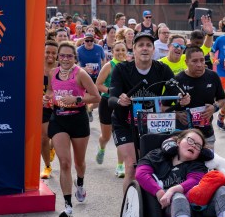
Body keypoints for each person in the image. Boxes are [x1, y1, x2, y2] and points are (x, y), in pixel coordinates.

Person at [108, 32, 188, 190]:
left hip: (150, 123)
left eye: (148, 45)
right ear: (134, 48)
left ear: (153, 50)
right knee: (132, 166)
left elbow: (172, 99)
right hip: (124, 122)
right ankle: (128, 208)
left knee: (149, 167)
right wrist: (120, 100)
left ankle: (146, 204)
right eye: (141, 45)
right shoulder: (122, 69)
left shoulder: (162, 69)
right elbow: (111, 99)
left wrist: (182, 101)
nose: (145, 48)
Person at [44, 42, 101, 217]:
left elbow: (96, 97)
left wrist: (76, 98)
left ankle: (81, 183)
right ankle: (68, 206)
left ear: (74, 58)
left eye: (69, 56)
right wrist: (48, 99)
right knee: (65, 162)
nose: (65, 59)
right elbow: (50, 92)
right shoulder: (53, 72)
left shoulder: (81, 74)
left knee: (79, 163)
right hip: (59, 120)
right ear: (58, 57)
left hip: (78, 120)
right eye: (62, 56)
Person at [174, 46, 225, 147]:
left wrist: (214, 107)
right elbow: (164, 107)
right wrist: (177, 115)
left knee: (209, 162)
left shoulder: (213, 76)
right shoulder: (178, 80)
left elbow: (222, 99)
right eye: (195, 61)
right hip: (183, 135)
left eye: (202, 60)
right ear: (186, 62)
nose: (199, 65)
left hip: (206, 133)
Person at [95, 41, 127, 178]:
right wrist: (112, 91)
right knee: (106, 136)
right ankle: (101, 147)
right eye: (117, 50)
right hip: (107, 102)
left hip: (123, 104)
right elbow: (98, 84)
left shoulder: (128, 66)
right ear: (113, 52)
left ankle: (120, 166)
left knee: (121, 136)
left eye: (123, 50)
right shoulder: (109, 66)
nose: (120, 53)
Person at [77, 32, 106, 122]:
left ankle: (88, 108)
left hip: (97, 77)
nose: (89, 42)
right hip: (84, 78)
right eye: (87, 40)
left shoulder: (99, 48)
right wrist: (84, 69)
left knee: (98, 99)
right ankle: (84, 113)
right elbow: (74, 66)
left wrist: (102, 70)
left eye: (91, 40)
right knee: (85, 96)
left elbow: (104, 59)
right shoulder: (79, 50)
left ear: (94, 40)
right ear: (83, 41)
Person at [41, 41, 58, 179]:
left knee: (57, 138)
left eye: (53, 53)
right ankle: (47, 166)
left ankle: (53, 148)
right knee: (44, 138)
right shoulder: (35, 68)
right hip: (42, 107)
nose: (50, 55)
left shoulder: (61, 68)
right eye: (47, 52)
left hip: (60, 107)